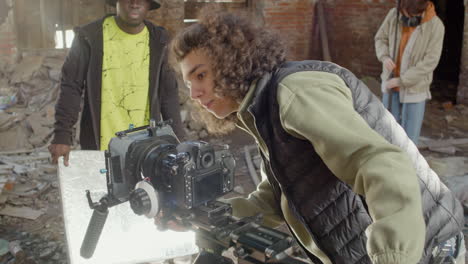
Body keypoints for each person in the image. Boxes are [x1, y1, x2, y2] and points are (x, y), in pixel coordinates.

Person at [168, 9, 465, 264]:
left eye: (201, 75)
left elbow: (378, 164)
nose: (194, 94)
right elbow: (272, 202)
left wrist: (394, 256)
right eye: (188, 82)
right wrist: (207, 217)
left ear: (229, 60)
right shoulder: (262, 113)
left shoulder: (294, 92)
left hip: (427, 250)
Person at [49, 0, 185, 166]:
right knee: (104, 191)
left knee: (144, 191)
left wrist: (179, 141)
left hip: (146, 148)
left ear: (149, 5)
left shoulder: (159, 40)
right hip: (101, 147)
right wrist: (62, 135)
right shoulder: (90, 36)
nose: (135, 4)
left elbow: (168, 94)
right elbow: (71, 85)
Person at [375, 0, 444, 145]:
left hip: (414, 89)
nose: (402, 14)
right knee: (387, 134)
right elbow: (380, 39)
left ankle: (407, 166)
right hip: (390, 83)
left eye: (406, 12)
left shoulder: (436, 26)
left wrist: (402, 81)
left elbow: (430, 62)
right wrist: (384, 56)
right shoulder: (394, 15)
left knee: (409, 139)